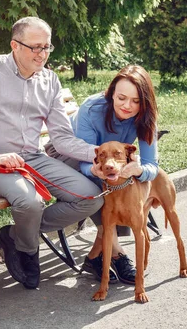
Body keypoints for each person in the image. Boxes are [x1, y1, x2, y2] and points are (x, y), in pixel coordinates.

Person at [0, 16, 107, 290]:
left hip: (32, 159)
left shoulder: (50, 81)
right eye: (35, 47)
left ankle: (17, 235)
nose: (42, 54)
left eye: (46, 47)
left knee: (92, 197)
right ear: (15, 45)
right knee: (30, 202)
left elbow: (62, 138)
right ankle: (29, 252)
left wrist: (99, 154)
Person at [46, 64, 160, 284]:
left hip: (108, 161)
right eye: (122, 98)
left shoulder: (146, 118)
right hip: (67, 154)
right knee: (107, 190)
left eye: (136, 101)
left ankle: (96, 256)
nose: (128, 105)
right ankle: (117, 254)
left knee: (124, 187)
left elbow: (151, 165)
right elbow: (83, 160)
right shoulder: (93, 108)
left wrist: (139, 171)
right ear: (111, 94)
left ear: (144, 102)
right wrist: (97, 170)